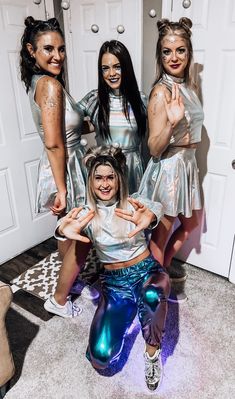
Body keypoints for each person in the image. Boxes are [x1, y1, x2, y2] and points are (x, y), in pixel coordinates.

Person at [45, 146, 170, 392]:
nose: (104, 184)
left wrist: (151, 217)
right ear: (91, 182)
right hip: (115, 285)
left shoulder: (133, 202)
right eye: (98, 178)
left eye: (110, 177)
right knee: (100, 358)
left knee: (152, 294)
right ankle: (131, 312)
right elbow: (65, 224)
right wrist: (61, 230)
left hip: (146, 271)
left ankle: (152, 354)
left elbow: (156, 207)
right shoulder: (87, 213)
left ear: (118, 179)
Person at [19, 16, 98, 302]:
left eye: (61, 49)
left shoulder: (42, 81)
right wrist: (62, 189)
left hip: (67, 161)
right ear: (31, 50)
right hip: (64, 165)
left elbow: (64, 128)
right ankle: (59, 300)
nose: (57, 56)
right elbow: (53, 143)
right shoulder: (49, 86)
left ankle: (71, 282)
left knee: (68, 232)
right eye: (48, 49)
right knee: (80, 233)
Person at [138, 18, 204, 301]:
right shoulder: (161, 91)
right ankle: (151, 294)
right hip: (169, 169)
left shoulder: (188, 86)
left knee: (190, 225)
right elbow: (153, 147)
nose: (174, 57)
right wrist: (171, 123)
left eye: (180, 50)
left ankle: (160, 271)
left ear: (189, 53)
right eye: (167, 51)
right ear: (159, 55)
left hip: (187, 165)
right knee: (159, 237)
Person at [79, 40, 147, 194]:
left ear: (127, 68)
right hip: (105, 171)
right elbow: (70, 121)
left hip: (132, 170)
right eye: (105, 68)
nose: (111, 73)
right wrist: (93, 125)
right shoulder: (93, 99)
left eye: (117, 67)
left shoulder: (140, 99)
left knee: (131, 215)